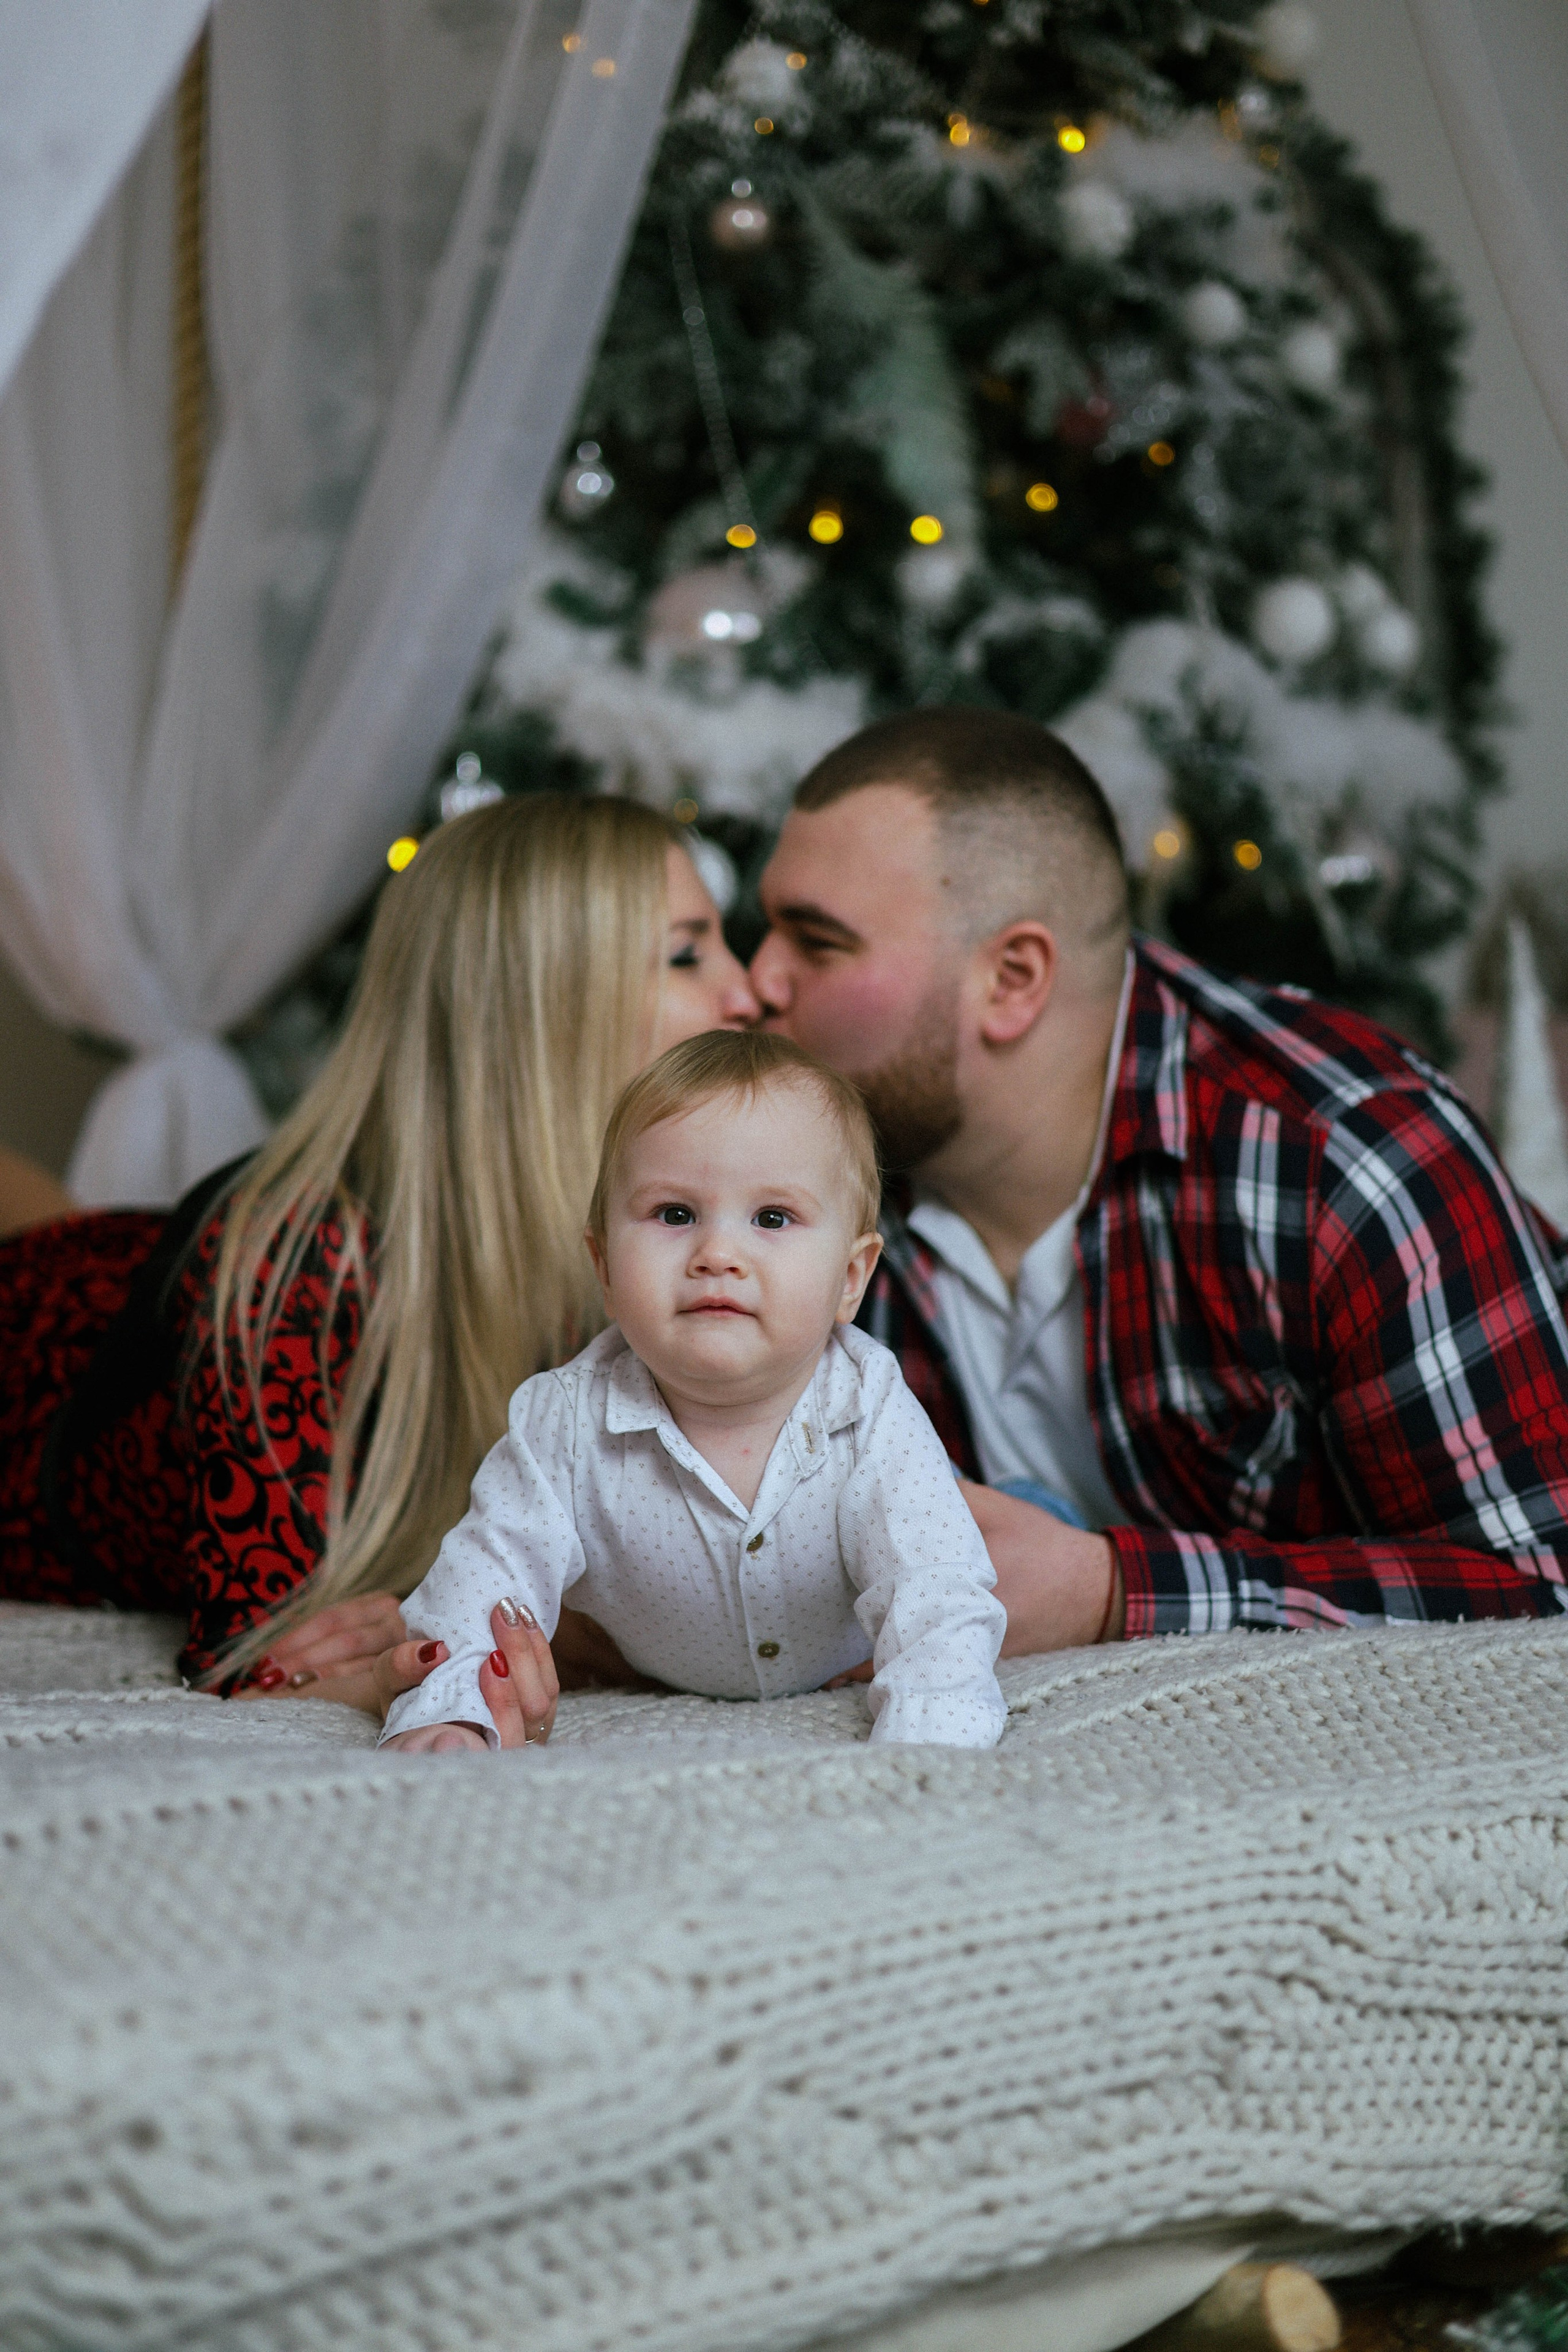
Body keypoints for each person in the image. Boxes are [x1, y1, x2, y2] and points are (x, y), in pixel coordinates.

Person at [742, 707, 1568, 1652]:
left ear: (1013, 979)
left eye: (816, 942)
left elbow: (1542, 1581)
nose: (755, 978)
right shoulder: (798, 1164)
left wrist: (1111, 1592)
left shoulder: (1339, 1155)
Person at [0, 794, 758, 1713]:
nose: (748, 991)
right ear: (545, 1003)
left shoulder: (644, 1244)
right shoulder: (308, 1268)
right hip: (47, 1327)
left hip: (127, 1259)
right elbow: (257, 1657)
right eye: (686, 954)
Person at [380, 1030, 1007, 1754]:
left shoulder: (868, 1407)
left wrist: (933, 1734)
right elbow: (487, 1572)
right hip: (656, 1660)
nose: (717, 1255)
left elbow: (934, 1592)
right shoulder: (563, 1421)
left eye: (772, 1218)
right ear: (605, 1267)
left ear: (850, 1279)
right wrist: (455, 1708)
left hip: (864, 1621)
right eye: (675, 1214)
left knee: (977, 1542)